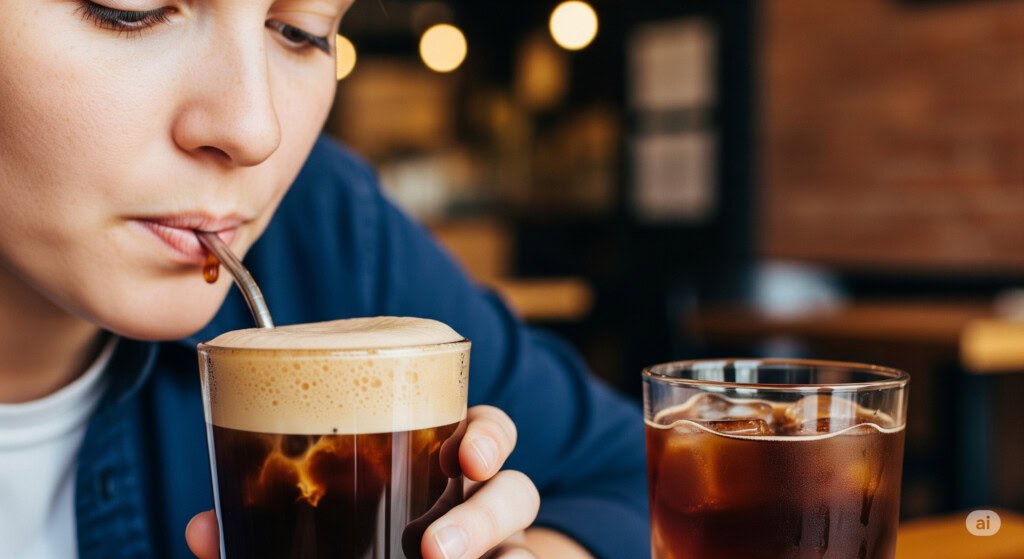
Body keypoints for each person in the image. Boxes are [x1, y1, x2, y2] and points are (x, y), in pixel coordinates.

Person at [0, 1, 648, 558]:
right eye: (131, 8)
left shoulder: (325, 227)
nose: (255, 130)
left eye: (301, 31)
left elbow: (640, 478)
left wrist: (526, 545)